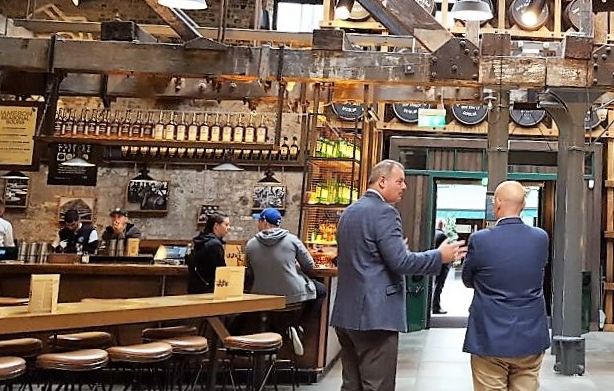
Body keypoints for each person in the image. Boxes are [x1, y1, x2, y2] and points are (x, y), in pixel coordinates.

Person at [332, 160, 464, 391]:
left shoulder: (349, 213)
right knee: (378, 385)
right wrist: (439, 256)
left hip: (346, 314)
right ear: (382, 181)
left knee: (351, 385)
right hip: (375, 316)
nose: (404, 186)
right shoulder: (385, 212)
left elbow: (359, 256)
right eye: (400, 181)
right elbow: (401, 262)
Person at [462, 181, 550, 391]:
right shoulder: (540, 238)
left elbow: (467, 279)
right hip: (530, 335)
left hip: (489, 334)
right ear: (524, 205)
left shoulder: (480, 239)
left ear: (498, 203)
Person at [245, 207, 324, 356]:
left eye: (259, 221)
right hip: (293, 295)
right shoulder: (292, 240)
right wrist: (294, 266)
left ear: (265, 222)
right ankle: (299, 326)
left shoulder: (250, 244)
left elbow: (249, 272)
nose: (258, 224)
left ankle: (272, 341)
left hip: (262, 297)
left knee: (270, 310)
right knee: (321, 290)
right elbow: (309, 266)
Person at [188, 211, 230, 294]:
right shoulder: (214, 245)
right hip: (209, 290)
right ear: (216, 226)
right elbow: (221, 271)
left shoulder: (201, 240)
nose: (229, 227)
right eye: (226, 224)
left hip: (195, 287)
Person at [431, 218, 450, 315]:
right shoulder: (443, 236)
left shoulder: (433, 235)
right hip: (442, 266)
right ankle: (436, 306)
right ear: (444, 226)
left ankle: (432, 306)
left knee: (433, 285)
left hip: (433, 264)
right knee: (438, 286)